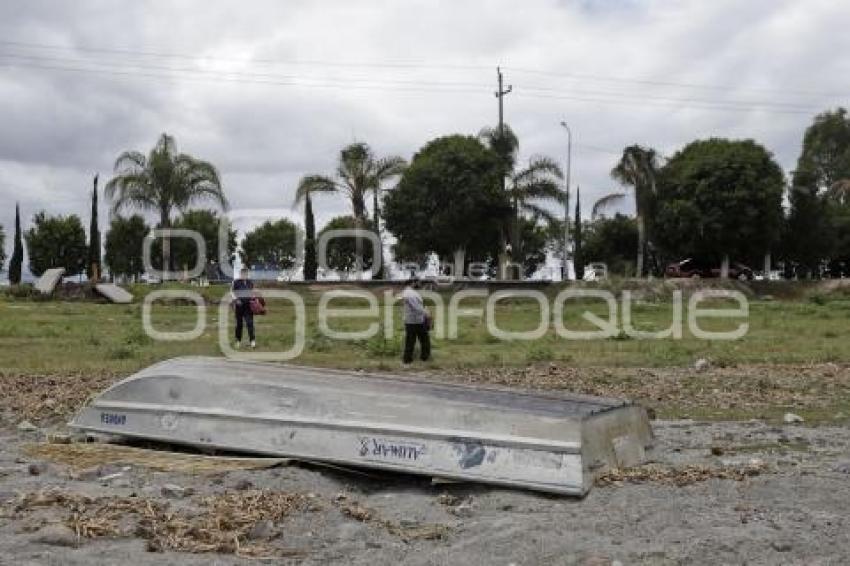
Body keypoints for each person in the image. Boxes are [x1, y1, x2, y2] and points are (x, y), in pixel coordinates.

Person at [402, 279, 430, 365]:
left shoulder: (408, 292)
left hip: (411, 320)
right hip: (417, 320)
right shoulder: (410, 293)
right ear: (412, 283)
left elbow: (417, 306)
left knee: (410, 340)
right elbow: (416, 307)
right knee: (424, 340)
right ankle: (424, 358)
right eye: (418, 283)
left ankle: (407, 359)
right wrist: (426, 313)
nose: (419, 284)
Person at [231, 268, 256, 349]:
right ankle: (238, 341)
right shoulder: (236, 282)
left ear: (247, 274)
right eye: (242, 274)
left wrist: (254, 297)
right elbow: (232, 292)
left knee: (250, 323)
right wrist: (236, 300)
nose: (244, 275)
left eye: (245, 274)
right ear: (240, 274)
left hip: (248, 305)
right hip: (239, 305)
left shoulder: (250, 282)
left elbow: (252, 292)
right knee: (239, 324)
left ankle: (252, 341)